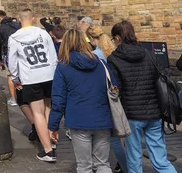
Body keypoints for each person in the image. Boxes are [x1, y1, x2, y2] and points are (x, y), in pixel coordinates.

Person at [108, 20, 177, 173]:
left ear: (118, 38)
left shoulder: (113, 59)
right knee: (161, 160)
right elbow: (162, 78)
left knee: (134, 160)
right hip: (155, 113)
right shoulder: (149, 54)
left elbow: (115, 88)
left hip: (132, 115)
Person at [48, 29, 115, 173]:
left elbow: (58, 100)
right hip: (102, 118)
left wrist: (53, 126)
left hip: (78, 120)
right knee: (103, 164)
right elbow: (114, 87)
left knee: (84, 167)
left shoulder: (63, 66)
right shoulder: (101, 63)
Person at [8, 9, 58, 163]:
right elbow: (53, 55)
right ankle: (51, 138)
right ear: (33, 19)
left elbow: (12, 61)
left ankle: (48, 150)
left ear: (19, 20)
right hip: (48, 74)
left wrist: (15, 78)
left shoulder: (14, 38)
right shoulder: (43, 33)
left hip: (30, 77)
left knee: (37, 113)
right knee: (47, 108)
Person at [87, 25, 127, 173]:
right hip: (120, 95)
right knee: (123, 138)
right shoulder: (114, 50)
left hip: (108, 97)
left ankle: (126, 167)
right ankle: (126, 165)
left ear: (91, 39)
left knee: (115, 138)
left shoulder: (96, 55)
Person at [0, 10, 21, 107]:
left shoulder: (1, 28)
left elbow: (0, 43)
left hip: (8, 53)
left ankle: (13, 98)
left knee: (10, 75)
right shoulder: (17, 25)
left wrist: (1, 59)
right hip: (20, 51)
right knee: (21, 73)